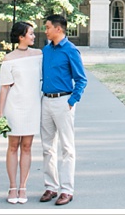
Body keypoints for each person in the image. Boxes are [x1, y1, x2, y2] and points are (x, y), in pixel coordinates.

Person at [39, 14, 87, 206]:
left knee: (67, 147)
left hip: (63, 101)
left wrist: (72, 100)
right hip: (46, 101)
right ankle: (51, 186)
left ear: (58, 29)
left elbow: (81, 79)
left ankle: (67, 190)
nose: (46, 30)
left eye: (48, 27)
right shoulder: (45, 50)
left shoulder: (71, 50)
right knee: (47, 147)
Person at [0, 21, 42, 204]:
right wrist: (0, 114)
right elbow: (4, 88)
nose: (34, 36)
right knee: (13, 146)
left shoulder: (39, 55)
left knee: (27, 146)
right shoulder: (9, 59)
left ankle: (23, 187)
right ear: (21, 36)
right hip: (14, 106)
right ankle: (12, 186)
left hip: (32, 106)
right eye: (31, 33)